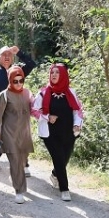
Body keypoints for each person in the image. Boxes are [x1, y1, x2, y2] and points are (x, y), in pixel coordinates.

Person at [32, 64, 84, 202]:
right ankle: (64, 188)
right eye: (52, 72)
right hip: (50, 133)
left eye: (57, 72)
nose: (54, 75)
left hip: (68, 132)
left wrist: (77, 124)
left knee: (64, 159)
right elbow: (34, 110)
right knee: (58, 158)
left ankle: (55, 174)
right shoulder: (43, 93)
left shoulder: (71, 92)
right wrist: (47, 117)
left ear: (63, 75)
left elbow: (78, 110)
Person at [0, 45, 36, 170]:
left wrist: (19, 52)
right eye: (4, 54)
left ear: (12, 58)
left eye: (9, 55)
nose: (7, 57)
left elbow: (32, 64)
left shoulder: (18, 71)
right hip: (0, 110)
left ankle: (24, 164)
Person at [0, 66, 35, 204]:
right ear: (10, 80)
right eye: (15, 81)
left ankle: (17, 179)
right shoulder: (4, 95)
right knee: (15, 162)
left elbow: (36, 108)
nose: (18, 84)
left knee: (22, 161)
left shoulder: (28, 93)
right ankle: (19, 190)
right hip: (9, 134)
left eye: (21, 80)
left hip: (24, 133)